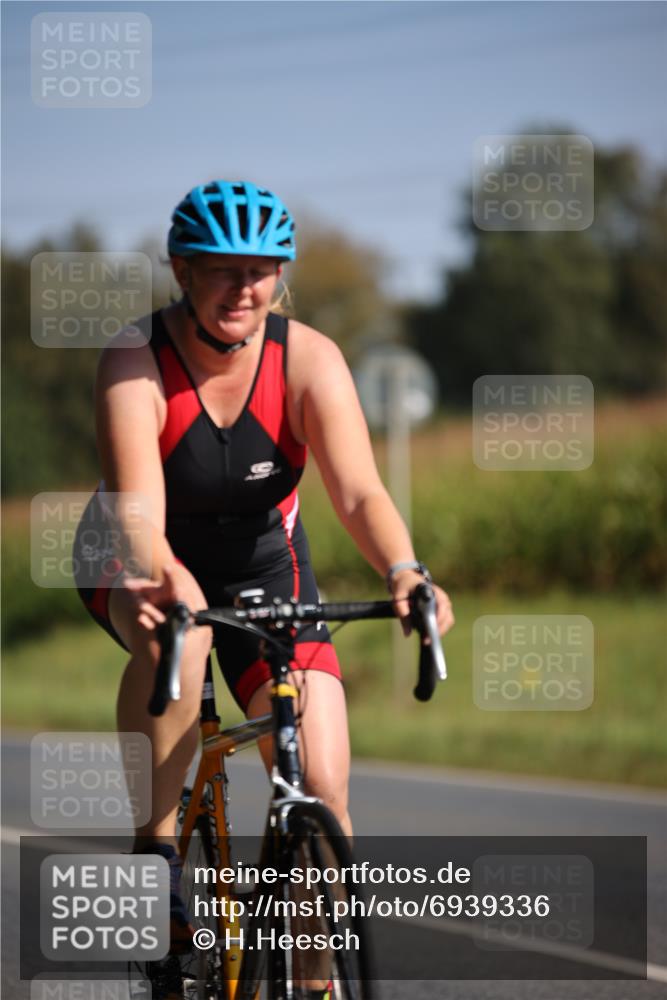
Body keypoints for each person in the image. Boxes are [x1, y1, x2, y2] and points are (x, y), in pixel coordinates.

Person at [75, 180, 454, 996]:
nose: (242, 288)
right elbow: (138, 511)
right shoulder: (134, 358)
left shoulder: (308, 357)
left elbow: (359, 492)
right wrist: (168, 576)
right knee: (181, 627)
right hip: (135, 549)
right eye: (220, 269)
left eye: (261, 269)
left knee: (322, 785)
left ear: (281, 275)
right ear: (181, 269)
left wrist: (404, 570)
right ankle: (160, 855)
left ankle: (313, 982)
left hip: (260, 565)